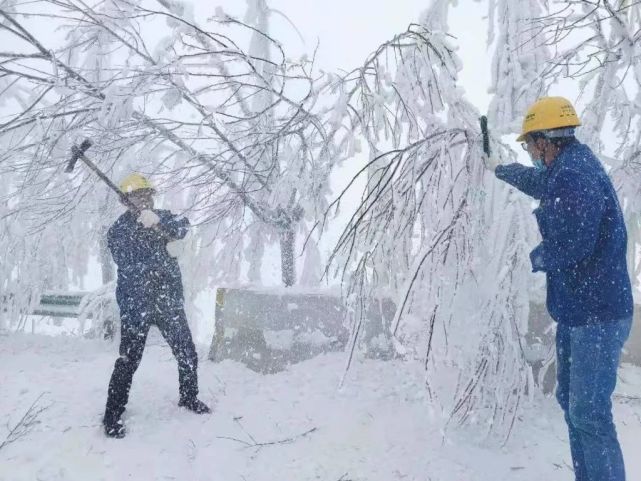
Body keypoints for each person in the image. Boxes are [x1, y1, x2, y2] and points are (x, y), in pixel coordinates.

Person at [490, 97, 633, 481]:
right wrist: (500, 169)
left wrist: (530, 257)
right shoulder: (567, 167)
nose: (531, 153)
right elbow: (540, 182)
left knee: (589, 413)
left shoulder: (575, 175)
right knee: (573, 405)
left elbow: (574, 242)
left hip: (597, 315)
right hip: (580, 310)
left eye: (529, 145)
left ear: (546, 139)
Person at [102, 173, 210, 438]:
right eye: (139, 195)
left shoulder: (162, 215)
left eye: (148, 194)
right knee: (128, 361)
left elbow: (183, 227)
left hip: (168, 303)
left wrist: (160, 223)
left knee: (186, 352)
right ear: (127, 201)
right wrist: (143, 229)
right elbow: (127, 261)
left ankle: (189, 397)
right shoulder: (119, 230)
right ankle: (112, 415)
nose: (145, 199)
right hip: (136, 305)